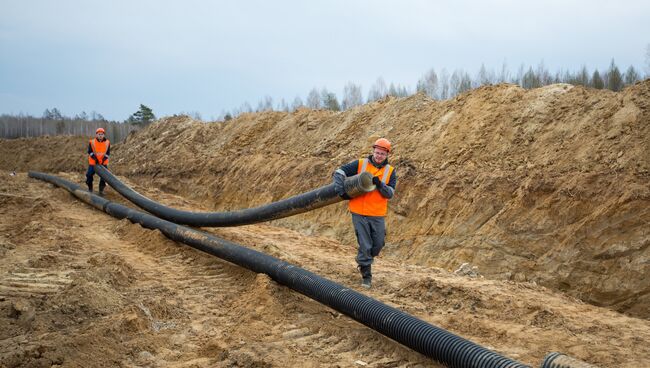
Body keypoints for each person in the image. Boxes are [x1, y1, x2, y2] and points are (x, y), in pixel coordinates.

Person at [332, 138, 397, 288]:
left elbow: (390, 194)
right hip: (358, 211)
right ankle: (366, 276)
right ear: (373, 151)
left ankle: (364, 259)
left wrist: (380, 184)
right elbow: (340, 172)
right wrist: (340, 189)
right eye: (377, 152)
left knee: (378, 243)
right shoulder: (361, 164)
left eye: (382, 153)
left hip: (377, 213)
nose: (379, 155)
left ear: (387, 154)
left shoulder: (390, 171)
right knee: (365, 244)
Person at [86, 127, 110, 195]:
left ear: (104, 135)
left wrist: (103, 160)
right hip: (93, 162)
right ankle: (90, 189)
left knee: (104, 177)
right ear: (96, 135)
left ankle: (101, 190)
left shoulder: (107, 142)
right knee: (89, 175)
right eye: (99, 134)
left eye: (102, 134)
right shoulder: (92, 142)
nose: (100, 135)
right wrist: (95, 158)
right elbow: (90, 151)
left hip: (103, 163)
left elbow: (108, 153)